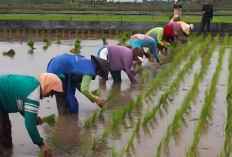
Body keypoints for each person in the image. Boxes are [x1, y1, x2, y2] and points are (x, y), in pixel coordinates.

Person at [0, 73, 63, 156]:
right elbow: (29, 124)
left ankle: (8, 153)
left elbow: (21, 103)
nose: (51, 95)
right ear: (48, 86)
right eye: (52, 92)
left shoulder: (33, 83)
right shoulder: (33, 95)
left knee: (6, 129)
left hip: (2, 100)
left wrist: (34, 118)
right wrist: (41, 145)